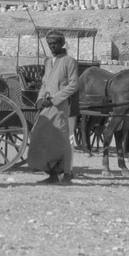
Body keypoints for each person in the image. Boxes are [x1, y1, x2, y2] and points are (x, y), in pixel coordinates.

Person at [28, 29, 78, 183]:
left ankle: (66, 173)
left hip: (60, 107)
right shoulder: (48, 62)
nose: (52, 47)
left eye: (55, 43)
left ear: (61, 44)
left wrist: (55, 99)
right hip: (46, 107)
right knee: (42, 137)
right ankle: (52, 174)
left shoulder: (69, 61)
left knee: (61, 140)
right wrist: (39, 99)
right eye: (49, 44)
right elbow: (44, 83)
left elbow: (73, 85)